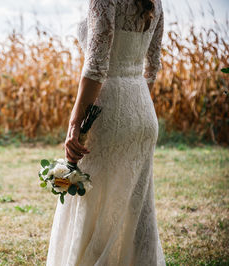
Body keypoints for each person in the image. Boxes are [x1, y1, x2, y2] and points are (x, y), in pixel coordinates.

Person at [46, 0, 166, 265]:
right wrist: (138, 106)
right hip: (143, 109)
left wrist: (75, 123)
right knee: (136, 208)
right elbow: (153, 66)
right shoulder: (155, 1)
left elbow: (97, 66)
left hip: (108, 112)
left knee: (91, 203)